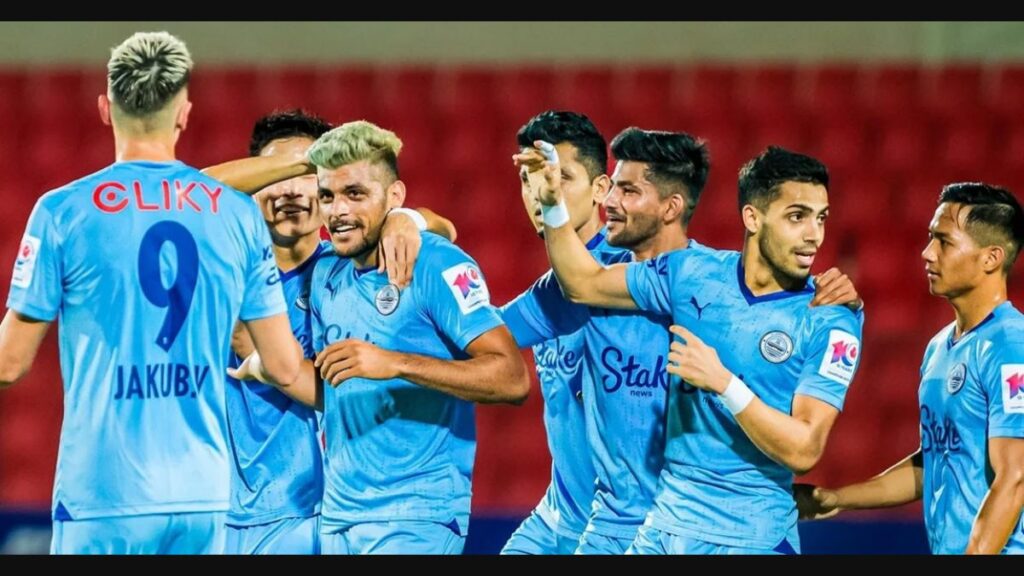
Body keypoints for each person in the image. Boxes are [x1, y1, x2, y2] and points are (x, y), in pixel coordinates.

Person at [0, 31, 307, 554]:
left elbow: (9, 364)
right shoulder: (236, 214)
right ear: (184, 114)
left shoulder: (62, 212)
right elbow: (282, 366)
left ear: (105, 108)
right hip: (203, 496)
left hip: (102, 496)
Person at [526, 144, 864, 554]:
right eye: (797, 217)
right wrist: (552, 204)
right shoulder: (691, 273)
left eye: (821, 218)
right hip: (664, 531)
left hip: (751, 538)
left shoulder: (831, 319)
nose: (814, 235)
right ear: (752, 218)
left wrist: (724, 383)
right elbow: (583, 283)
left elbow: (804, 448)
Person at [230, 120, 530, 554]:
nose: (338, 211)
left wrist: (395, 362)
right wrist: (269, 366)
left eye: (355, 194)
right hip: (340, 518)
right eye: (328, 196)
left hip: (415, 514)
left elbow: (512, 378)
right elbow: (336, 389)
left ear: (394, 196)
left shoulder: (435, 262)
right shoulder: (327, 274)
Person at [797, 183, 1024, 555]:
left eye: (944, 241)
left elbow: (1015, 476)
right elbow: (933, 461)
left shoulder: (1011, 347)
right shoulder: (938, 347)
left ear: (991, 258)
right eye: (930, 238)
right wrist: (838, 498)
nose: (927, 253)